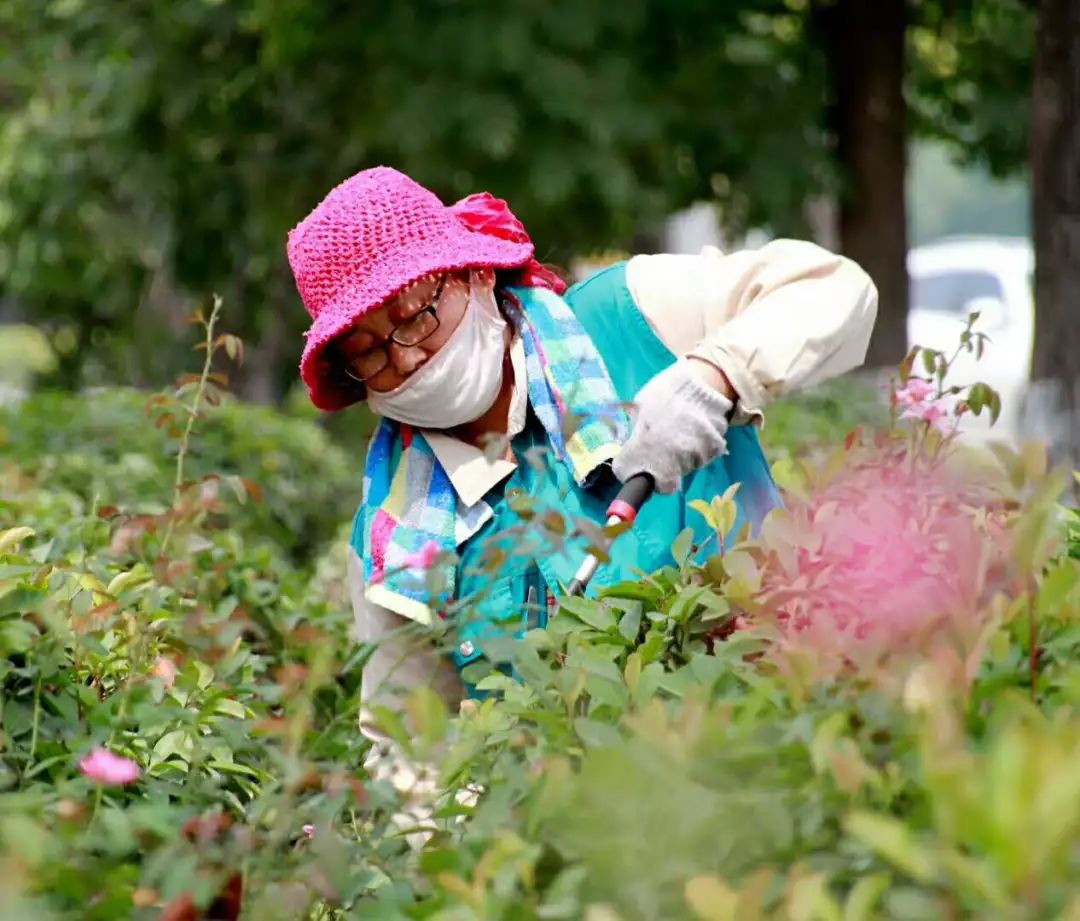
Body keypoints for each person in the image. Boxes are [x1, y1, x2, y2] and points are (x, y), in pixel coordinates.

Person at [286, 167, 878, 725]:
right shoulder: (397, 534)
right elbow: (411, 747)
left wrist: (714, 376)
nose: (407, 356)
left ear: (476, 274)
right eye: (368, 351)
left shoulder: (633, 318)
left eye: (415, 314)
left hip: (786, 730)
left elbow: (836, 290)